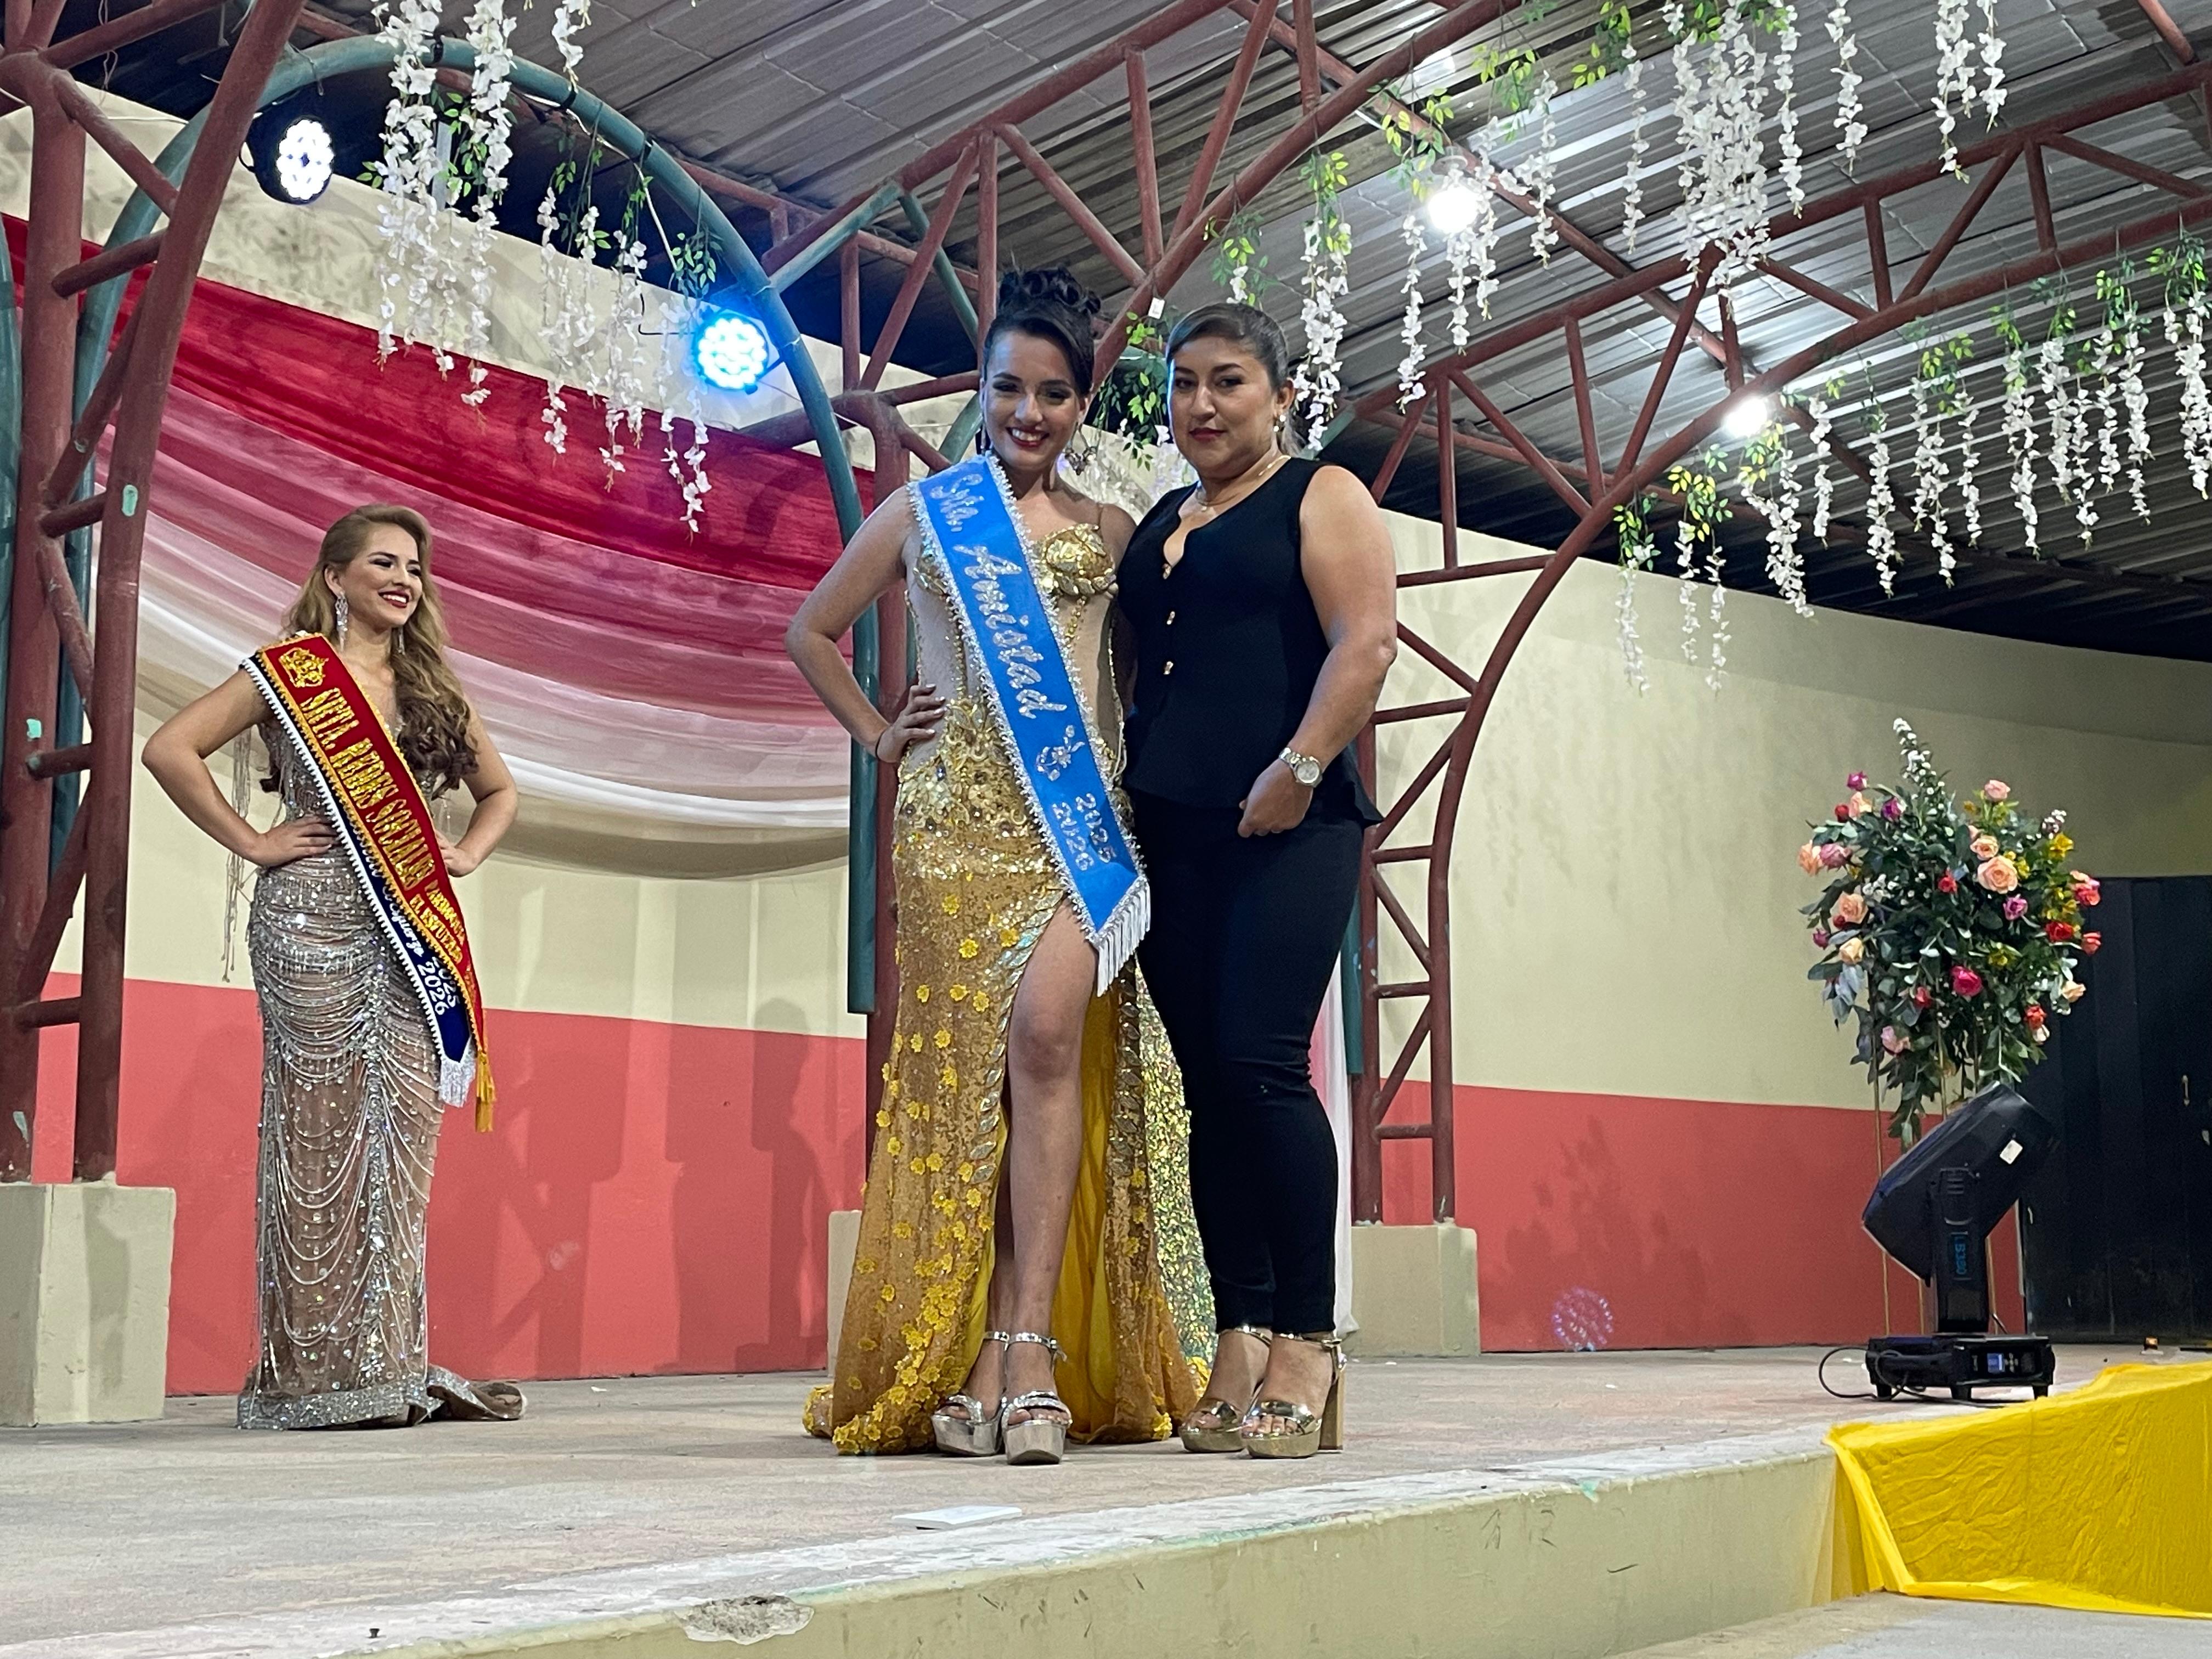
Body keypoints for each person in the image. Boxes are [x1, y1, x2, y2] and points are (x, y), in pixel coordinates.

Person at [790, 269, 1197, 1462]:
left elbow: (1138, 681)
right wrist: (880, 734)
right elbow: (810, 631)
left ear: (1084, 404)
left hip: (1078, 831)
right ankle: (981, 1356)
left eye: (1056, 394)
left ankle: (1030, 1346)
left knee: (1048, 1041)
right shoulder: (925, 515)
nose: (1030, 412)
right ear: (982, 387)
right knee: (976, 1083)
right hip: (951, 829)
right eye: (1011, 387)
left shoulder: (1114, 532)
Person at [143, 504, 524, 1430]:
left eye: (416, 568)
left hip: (408, 933)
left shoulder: (433, 690)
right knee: (314, 1139)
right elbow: (169, 748)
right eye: (385, 563)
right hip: (307, 924)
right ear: (336, 577)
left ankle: (387, 1369)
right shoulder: (289, 676)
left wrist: (466, 855)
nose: (405, 580)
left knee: (403, 1145)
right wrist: (253, 842)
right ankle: (311, 1376)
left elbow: (501, 792)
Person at [1118, 302, 1397, 1459]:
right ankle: (1236, 1331)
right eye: (1184, 382)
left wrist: (1301, 765)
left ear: (1280, 395)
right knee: (1207, 1087)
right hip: (1169, 828)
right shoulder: (1162, 519)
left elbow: (1366, 644)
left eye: (1227, 380)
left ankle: (1308, 1338)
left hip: (1291, 822)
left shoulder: (1322, 494)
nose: (1202, 404)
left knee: (1261, 1068)